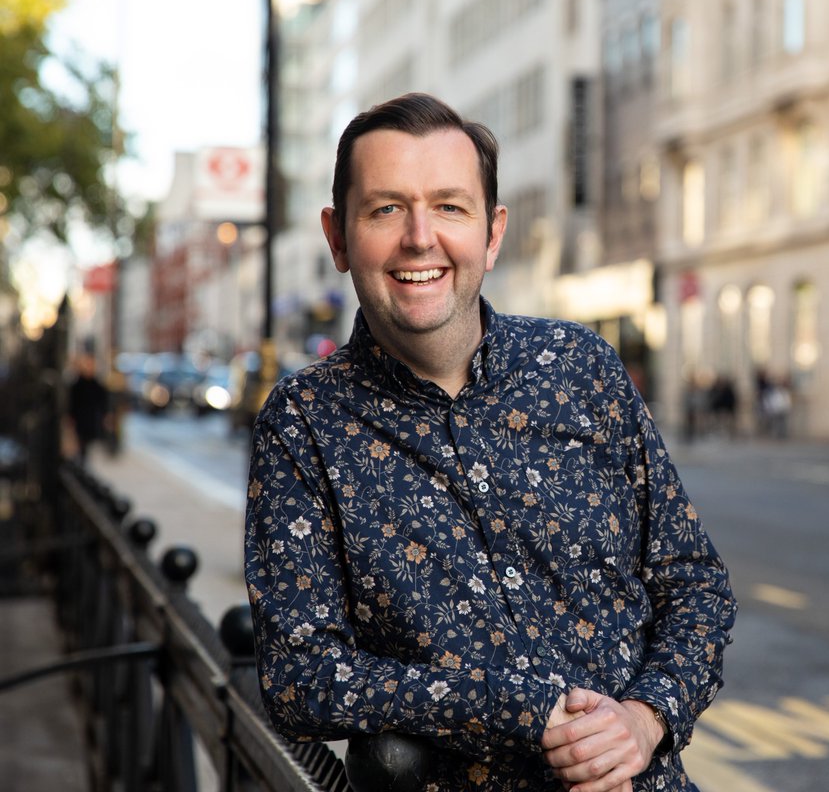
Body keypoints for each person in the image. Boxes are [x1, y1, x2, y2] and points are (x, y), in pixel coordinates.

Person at [243, 93, 736, 792]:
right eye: (386, 208)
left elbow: (694, 584)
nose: (420, 237)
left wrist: (643, 719)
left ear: (492, 233)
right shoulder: (304, 422)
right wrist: (528, 709)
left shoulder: (582, 368)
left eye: (449, 206)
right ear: (338, 237)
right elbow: (300, 677)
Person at [66, 352, 110, 465]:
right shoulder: (77, 385)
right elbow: (71, 402)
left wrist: (105, 416)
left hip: (91, 418)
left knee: (87, 443)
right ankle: (80, 460)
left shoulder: (96, 384)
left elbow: (103, 401)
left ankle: (83, 460)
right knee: (81, 442)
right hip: (80, 418)